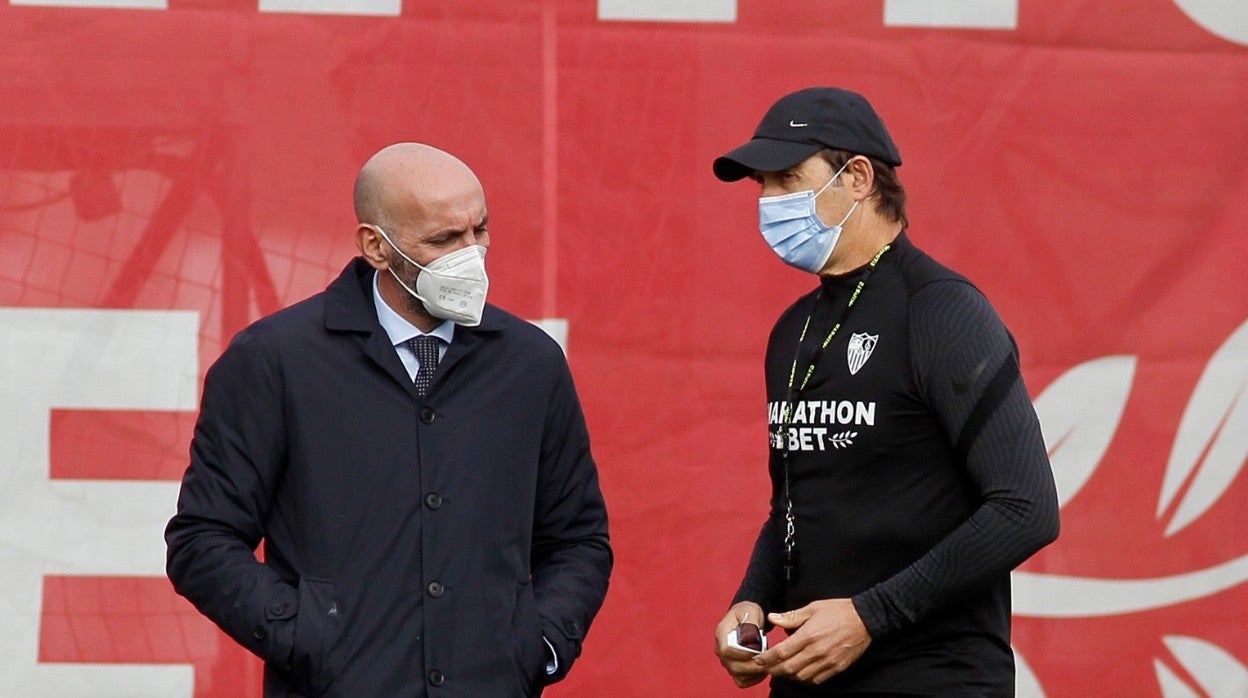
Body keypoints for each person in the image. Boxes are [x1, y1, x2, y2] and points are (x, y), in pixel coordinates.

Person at [166, 142, 612, 697]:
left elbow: (578, 539)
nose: (471, 254)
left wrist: (537, 645)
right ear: (375, 246)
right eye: (444, 239)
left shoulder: (531, 363)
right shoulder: (274, 360)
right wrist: (307, 638)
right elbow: (202, 540)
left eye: (479, 230)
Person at [710, 87, 1060, 696]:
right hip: (808, 676)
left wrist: (874, 615)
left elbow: (1025, 508)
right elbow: (793, 507)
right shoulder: (793, 329)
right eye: (762, 185)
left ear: (860, 179)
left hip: (935, 676)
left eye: (788, 178)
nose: (769, 201)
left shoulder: (941, 311)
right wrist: (750, 604)